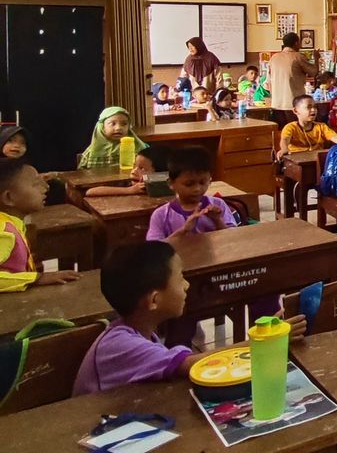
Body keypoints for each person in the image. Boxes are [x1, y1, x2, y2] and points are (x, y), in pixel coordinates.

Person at [72, 241, 306, 395]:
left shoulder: (137, 332)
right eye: (180, 278)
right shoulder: (121, 345)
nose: (186, 285)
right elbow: (197, 364)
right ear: (154, 300)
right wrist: (266, 341)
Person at [1, 158, 80, 291]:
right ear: (8, 197)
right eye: (35, 184)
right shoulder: (4, 232)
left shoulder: (12, 222)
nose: (46, 187)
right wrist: (37, 278)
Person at [146, 147, 236, 242]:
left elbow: (234, 239)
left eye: (202, 182)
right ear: (171, 184)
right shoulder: (161, 215)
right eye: (189, 184)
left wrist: (217, 220)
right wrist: (184, 230)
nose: (197, 189)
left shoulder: (218, 205)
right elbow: (154, 247)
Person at [269, 33, 319, 124]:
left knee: (282, 129)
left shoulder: (274, 58)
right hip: (293, 102)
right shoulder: (298, 56)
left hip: (276, 102)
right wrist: (316, 58)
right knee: (296, 129)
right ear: (296, 43)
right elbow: (314, 72)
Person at [79, 107, 147, 169]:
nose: (118, 128)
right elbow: (81, 175)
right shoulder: (90, 153)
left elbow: (147, 172)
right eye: (112, 124)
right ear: (102, 127)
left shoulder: (139, 150)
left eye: (124, 124)